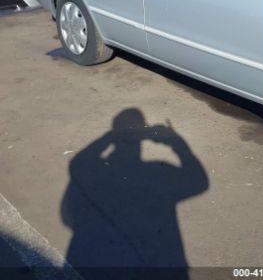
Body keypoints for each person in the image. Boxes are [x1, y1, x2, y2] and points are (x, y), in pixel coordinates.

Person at [61, 108, 208, 276]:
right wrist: (176, 141)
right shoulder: (158, 172)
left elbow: (77, 163)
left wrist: (112, 136)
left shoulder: (97, 170)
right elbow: (199, 181)